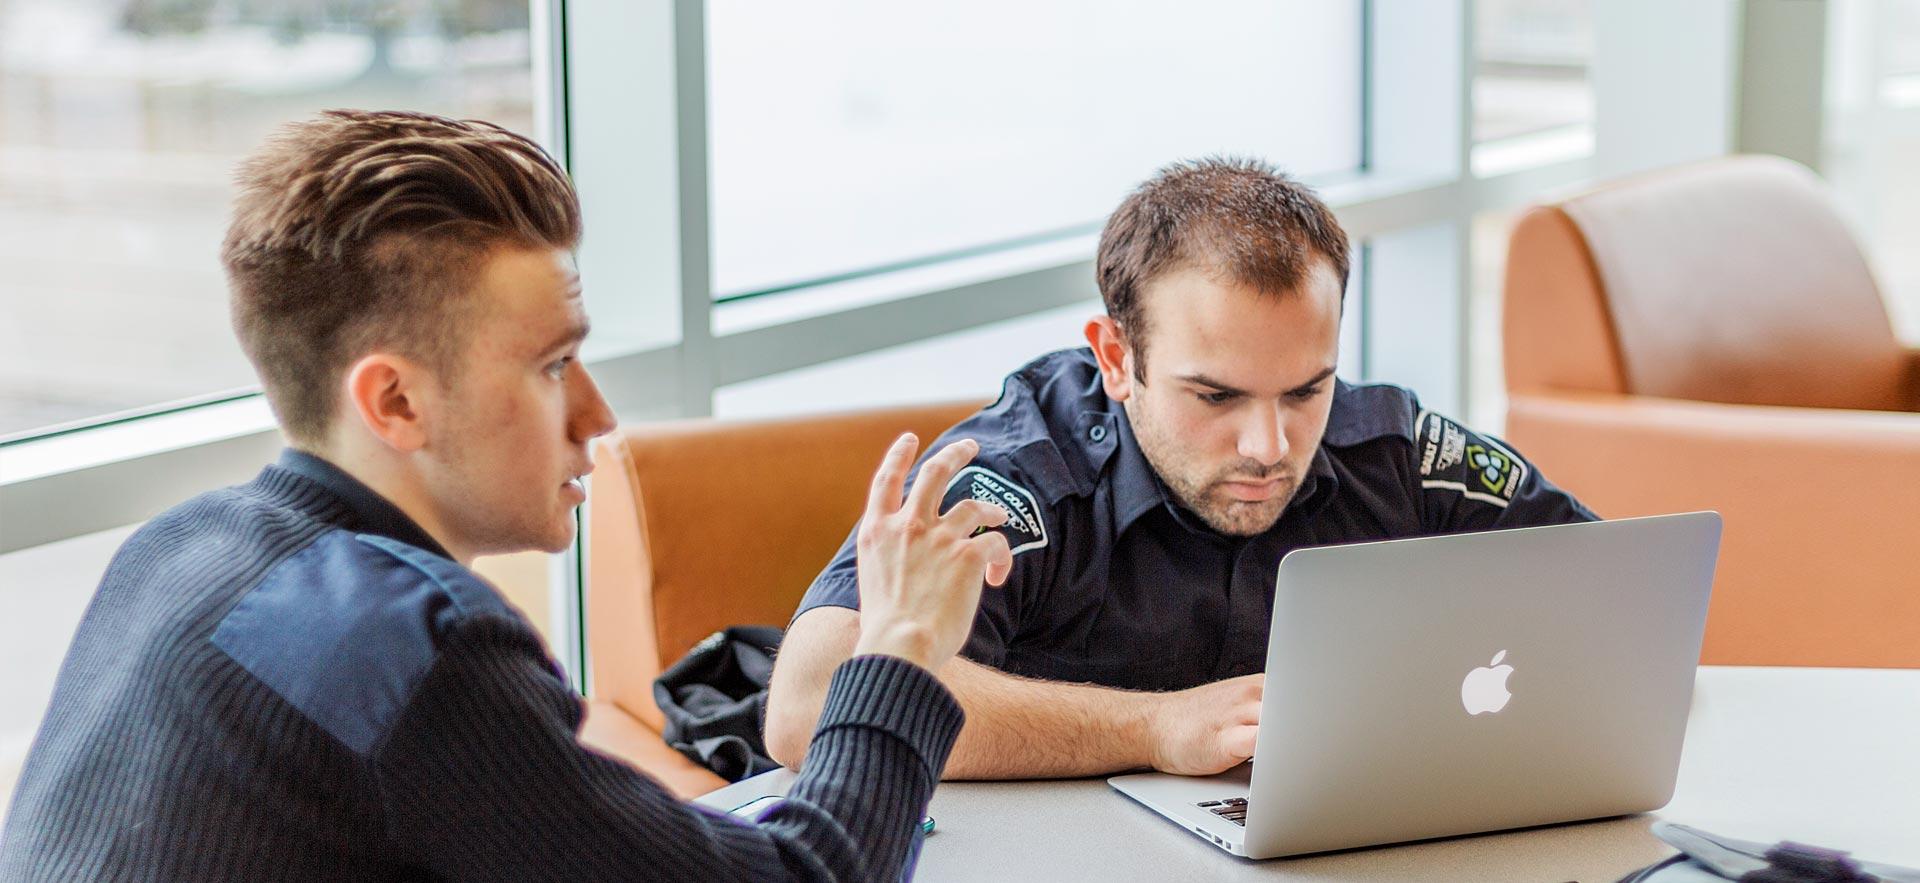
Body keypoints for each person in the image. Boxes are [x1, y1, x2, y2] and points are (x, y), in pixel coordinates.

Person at [0, 110, 1013, 881]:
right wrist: (902, 643)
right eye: (551, 365)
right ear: (394, 400)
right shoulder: (406, 644)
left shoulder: (177, 546)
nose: (598, 415)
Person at [764, 157, 1597, 780]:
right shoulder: (1019, 483)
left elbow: (1613, 587)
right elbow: (808, 707)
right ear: (1118, 357)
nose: (1269, 445)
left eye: (1307, 388)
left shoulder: (1398, 452)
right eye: (1216, 396)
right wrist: (1154, 727)